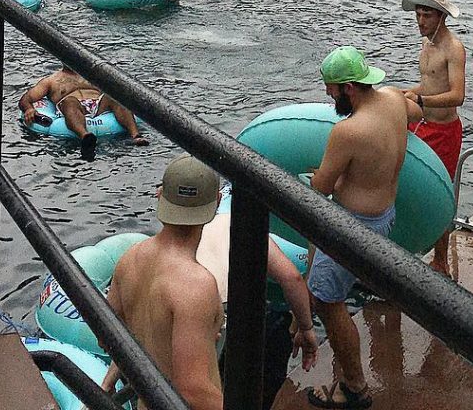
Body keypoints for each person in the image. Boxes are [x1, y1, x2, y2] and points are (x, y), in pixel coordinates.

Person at [305, 46, 420, 410]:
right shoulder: (392, 100)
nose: (327, 94)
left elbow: (320, 188)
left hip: (352, 229)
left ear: (349, 88)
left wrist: (330, 181)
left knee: (328, 300)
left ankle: (354, 387)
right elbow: (416, 110)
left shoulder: (348, 131)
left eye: (331, 88)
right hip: (385, 215)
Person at [95, 154, 224, 409]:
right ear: (217, 201)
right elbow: (193, 391)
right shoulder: (196, 284)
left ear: (160, 195)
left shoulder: (129, 258)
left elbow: (106, 338)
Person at [196, 204, 320, 409]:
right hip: (235, 322)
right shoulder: (233, 222)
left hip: (206, 321)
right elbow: (292, 278)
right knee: (274, 326)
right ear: (217, 200)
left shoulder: (153, 254)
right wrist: (306, 328)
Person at [399, 0, 466, 274]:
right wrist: (405, 93)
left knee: (441, 192)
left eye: (426, 15)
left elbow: (457, 95)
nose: (420, 20)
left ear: (441, 17)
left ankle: (441, 260)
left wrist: (422, 100)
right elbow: (428, 85)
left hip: (444, 129)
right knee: (404, 180)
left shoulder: (454, 48)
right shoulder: (426, 46)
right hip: (423, 123)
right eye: (418, 14)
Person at [18, 63, 148, 158]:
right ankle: (85, 136)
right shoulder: (51, 81)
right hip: (71, 107)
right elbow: (26, 98)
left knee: (114, 97)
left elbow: (117, 87)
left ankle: (136, 136)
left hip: (97, 105)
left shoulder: (93, 75)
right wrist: (29, 109)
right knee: (70, 101)